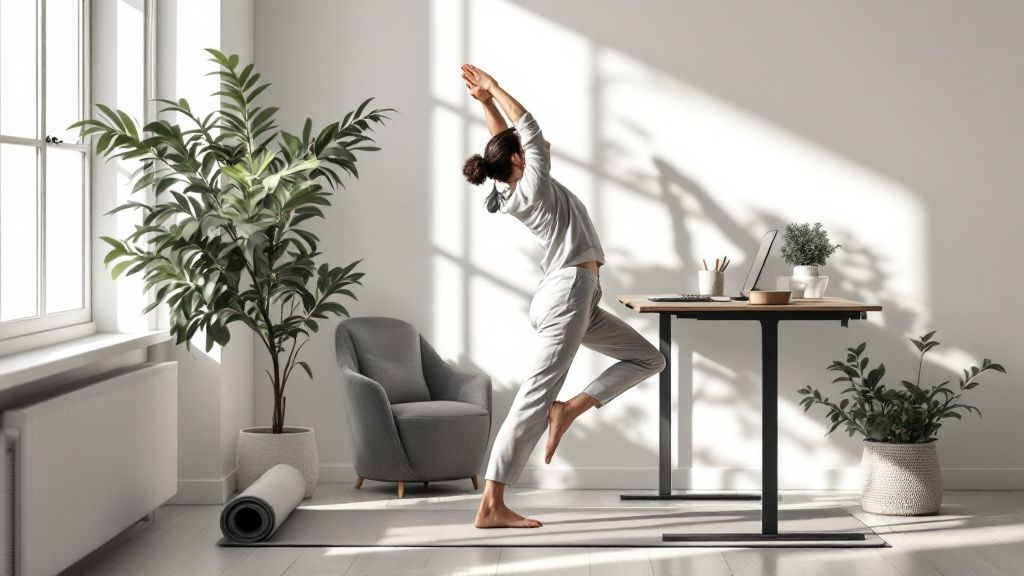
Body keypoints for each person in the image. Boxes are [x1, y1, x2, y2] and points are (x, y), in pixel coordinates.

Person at [460, 64, 666, 529]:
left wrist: (488, 106)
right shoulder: (531, 184)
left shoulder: (513, 185)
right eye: (522, 151)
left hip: (578, 297)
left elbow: (510, 141)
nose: (534, 148)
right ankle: (492, 504)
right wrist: (495, 87)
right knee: (534, 397)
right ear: (518, 160)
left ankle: (568, 408)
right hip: (568, 291)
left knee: (649, 359)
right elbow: (528, 130)